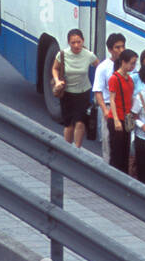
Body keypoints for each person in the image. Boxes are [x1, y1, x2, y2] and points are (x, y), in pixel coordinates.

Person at [50, 28, 98, 148]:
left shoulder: (89, 55)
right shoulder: (62, 54)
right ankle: (67, 149)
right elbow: (55, 68)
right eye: (73, 43)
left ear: (83, 41)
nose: (76, 45)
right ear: (69, 43)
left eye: (79, 42)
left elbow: (99, 67)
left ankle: (77, 150)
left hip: (83, 93)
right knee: (69, 124)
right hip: (67, 93)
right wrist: (57, 81)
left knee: (80, 122)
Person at [93, 32, 127, 161]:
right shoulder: (103, 67)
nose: (121, 50)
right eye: (117, 47)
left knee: (124, 143)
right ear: (110, 49)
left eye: (123, 46)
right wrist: (105, 111)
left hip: (124, 109)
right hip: (109, 108)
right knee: (108, 142)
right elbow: (98, 91)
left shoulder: (127, 66)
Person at [103, 49, 138, 173]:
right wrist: (116, 120)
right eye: (131, 63)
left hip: (126, 119)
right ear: (123, 62)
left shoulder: (129, 79)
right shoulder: (115, 78)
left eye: (134, 63)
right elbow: (111, 99)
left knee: (125, 153)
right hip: (116, 119)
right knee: (116, 154)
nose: (133, 66)